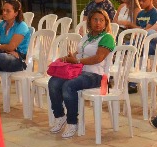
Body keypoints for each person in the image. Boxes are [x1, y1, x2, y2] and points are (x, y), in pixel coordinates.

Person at [48, 9, 116, 139]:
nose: (98, 23)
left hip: (97, 76)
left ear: (106, 23)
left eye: (101, 20)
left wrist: (77, 61)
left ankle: (72, 122)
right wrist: (66, 58)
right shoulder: (87, 37)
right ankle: (60, 116)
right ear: (89, 21)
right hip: (79, 71)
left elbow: (98, 58)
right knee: (53, 82)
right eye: (95, 19)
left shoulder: (107, 38)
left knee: (69, 86)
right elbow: (78, 53)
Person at [0, 0, 32, 73]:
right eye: (3, 10)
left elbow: (11, 47)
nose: (4, 13)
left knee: (0, 58)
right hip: (4, 54)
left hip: (19, 59)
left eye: (8, 11)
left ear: (16, 13)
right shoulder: (1, 25)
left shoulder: (21, 26)